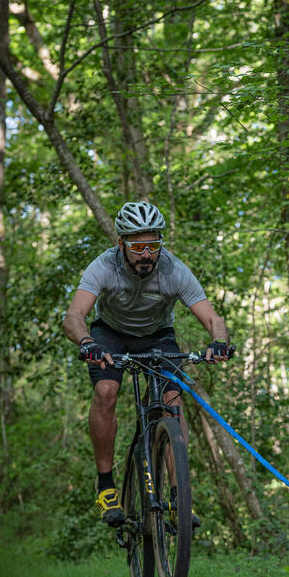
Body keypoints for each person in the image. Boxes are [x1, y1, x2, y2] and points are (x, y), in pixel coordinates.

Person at [63, 201, 230, 525]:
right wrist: (87, 343)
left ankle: (179, 496)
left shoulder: (173, 269)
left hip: (157, 335)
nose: (146, 253)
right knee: (107, 390)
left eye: (153, 244)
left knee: (172, 399)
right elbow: (74, 316)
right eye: (137, 245)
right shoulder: (104, 266)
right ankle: (106, 487)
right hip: (109, 334)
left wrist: (219, 343)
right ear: (121, 243)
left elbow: (212, 318)